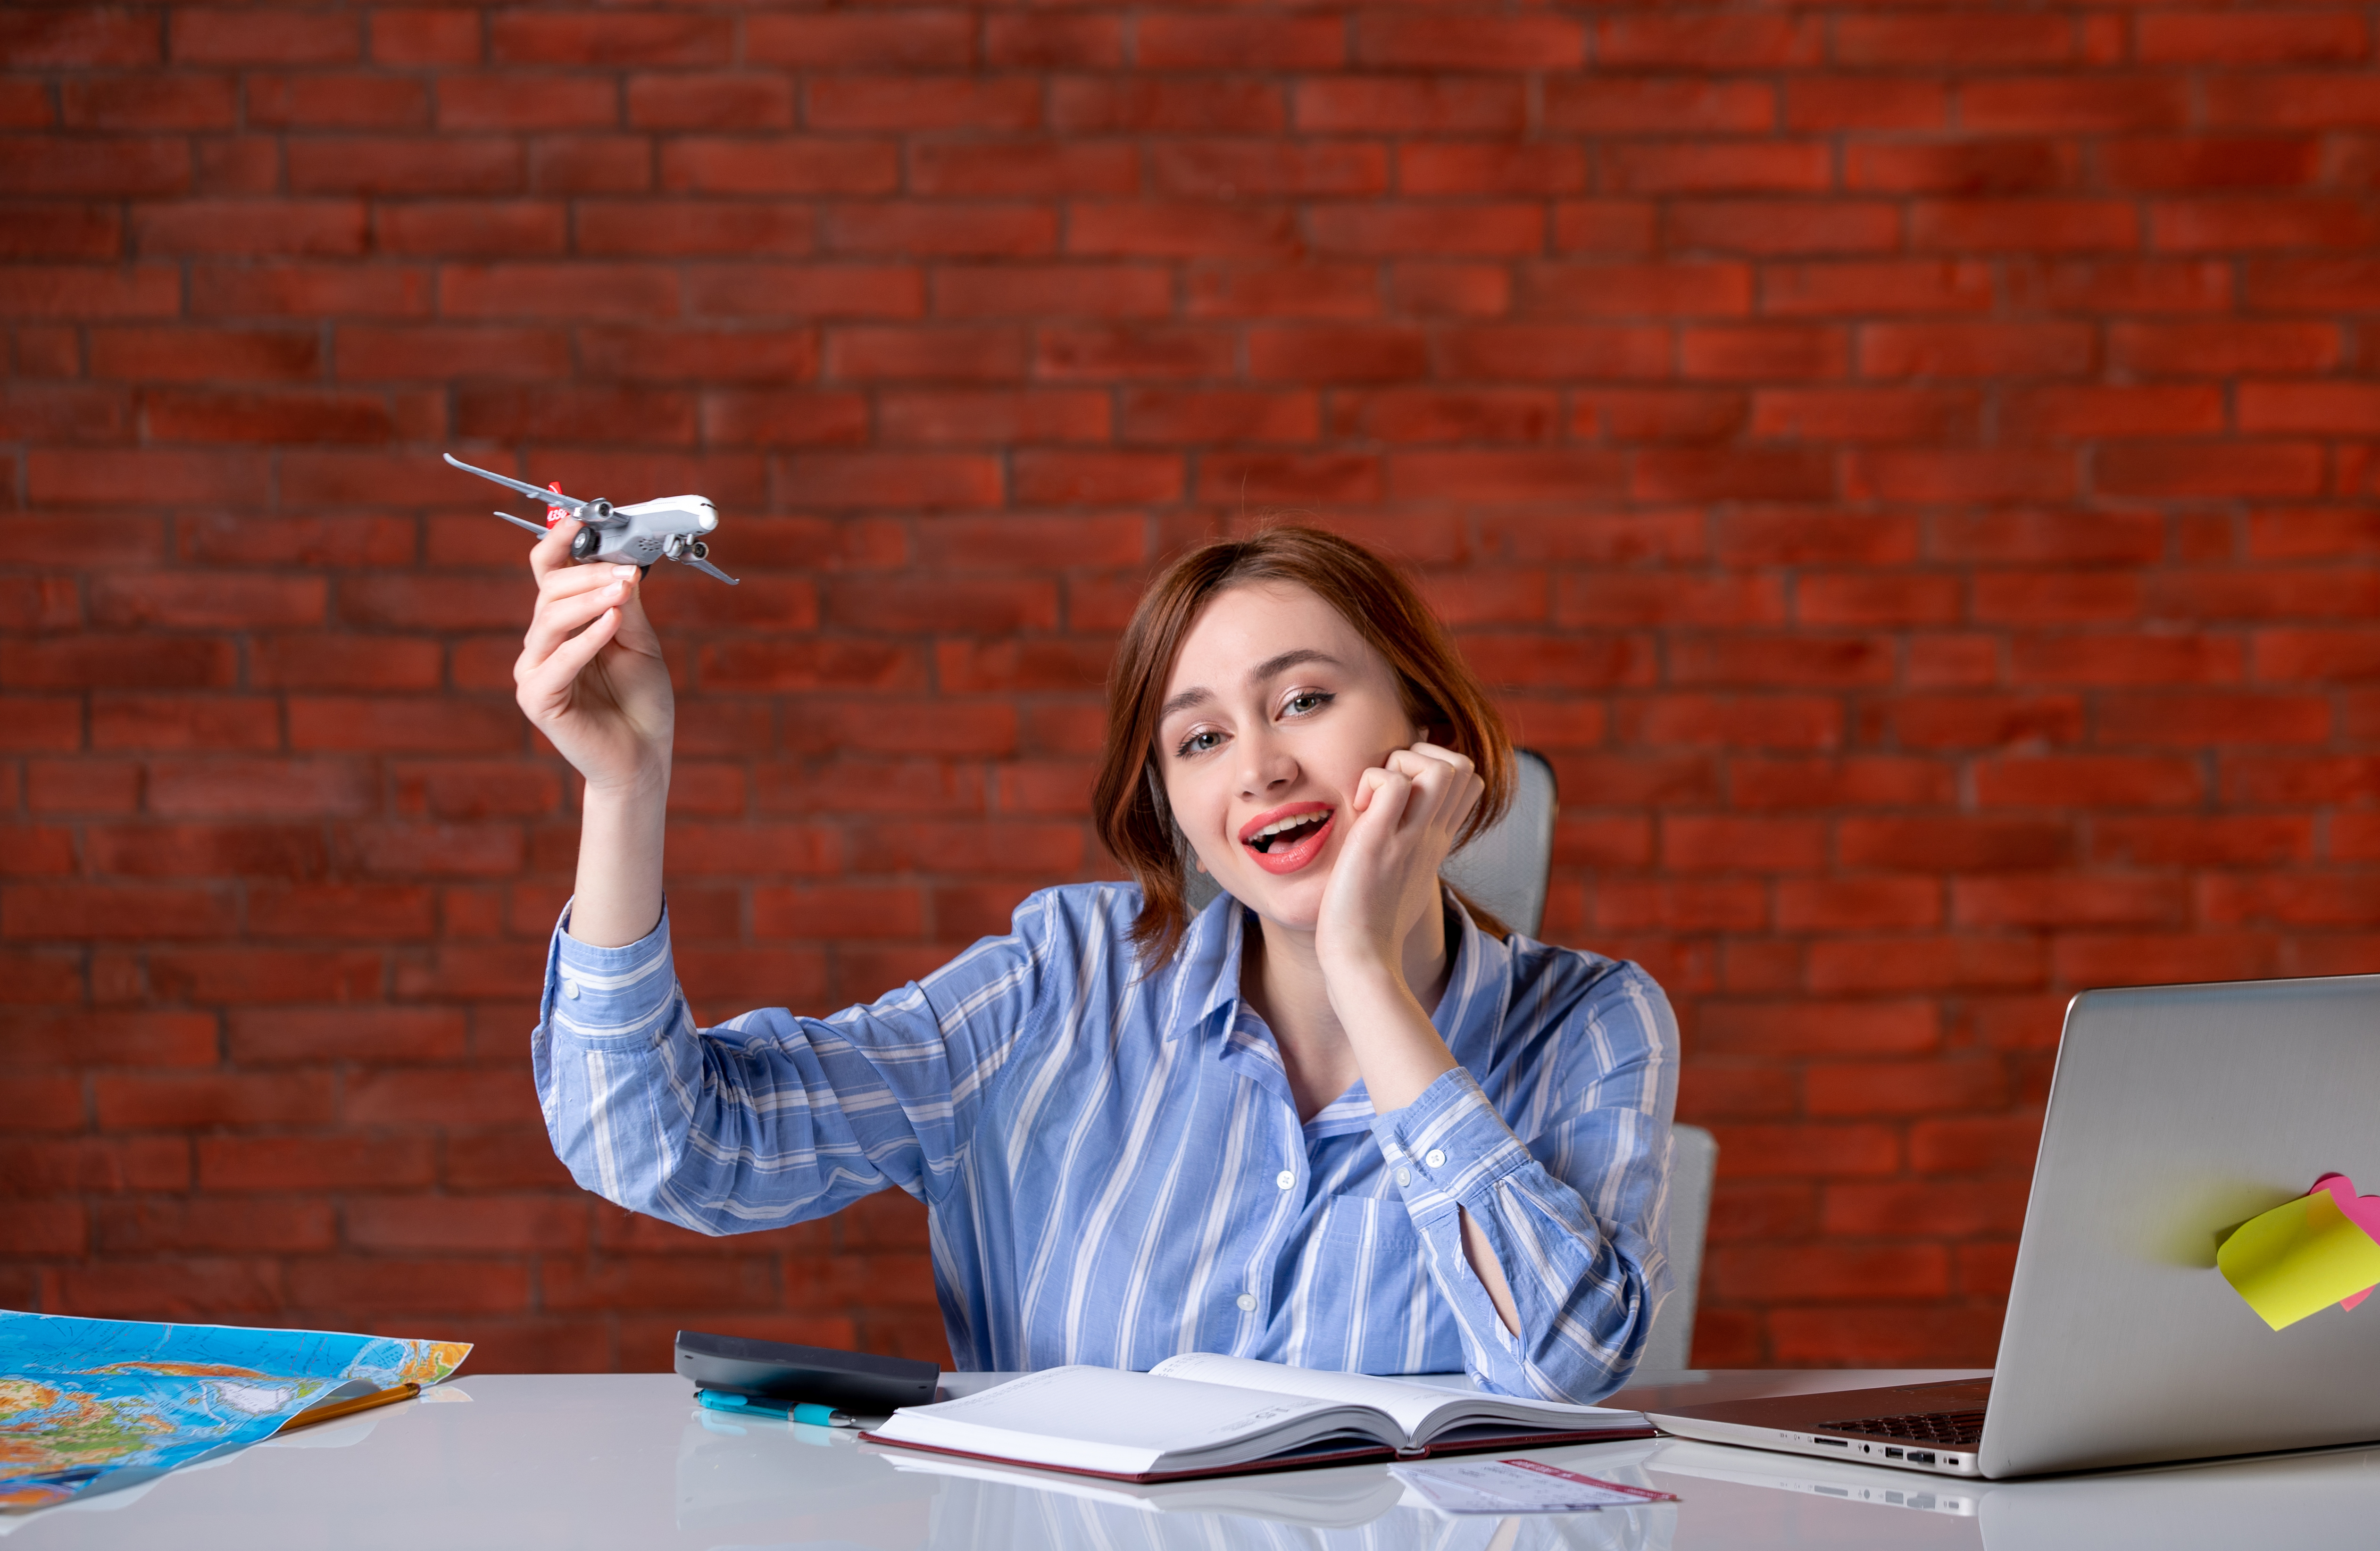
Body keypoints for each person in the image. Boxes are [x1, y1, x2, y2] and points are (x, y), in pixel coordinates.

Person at [522, 521, 1677, 1402]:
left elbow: (1563, 1362)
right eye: (1203, 738)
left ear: (1426, 720)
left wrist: (1365, 972)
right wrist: (626, 784)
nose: (1261, 767)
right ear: (1171, 797)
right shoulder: (1059, 984)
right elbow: (655, 1146)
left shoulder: (1593, 1023)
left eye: (1306, 699)